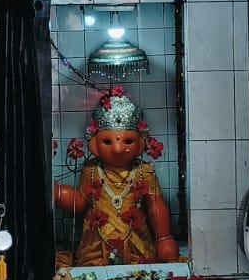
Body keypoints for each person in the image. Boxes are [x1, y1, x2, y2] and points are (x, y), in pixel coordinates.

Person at [54, 90, 177, 267]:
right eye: (108, 142)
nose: (118, 149)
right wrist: (58, 192)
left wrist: (164, 238)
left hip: (137, 247)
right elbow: (80, 202)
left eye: (128, 141)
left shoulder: (144, 171)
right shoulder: (92, 170)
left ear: (141, 143)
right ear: (94, 143)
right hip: (96, 248)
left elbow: (155, 205)